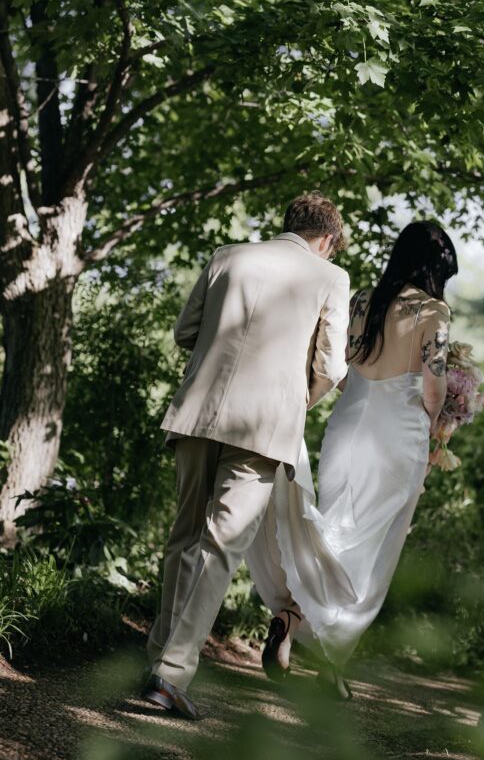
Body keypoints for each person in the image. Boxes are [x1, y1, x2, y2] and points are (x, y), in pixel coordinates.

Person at [141, 193, 350, 718]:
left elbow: (185, 331)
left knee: (185, 536)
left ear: (291, 224)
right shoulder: (331, 277)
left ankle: (156, 663)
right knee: (220, 546)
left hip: (197, 411)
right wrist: (298, 398)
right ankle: (170, 675)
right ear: (327, 239)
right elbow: (331, 365)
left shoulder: (227, 256)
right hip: (264, 428)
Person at [245, 221, 458, 699]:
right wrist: (440, 420)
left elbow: (340, 368)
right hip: (397, 432)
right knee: (372, 546)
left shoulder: (363, 299)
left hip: (348, 422)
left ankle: (297, 619)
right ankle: (322, 649)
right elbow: (433, 384)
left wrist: (364, 390)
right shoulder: (433, 310)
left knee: (337, 524)